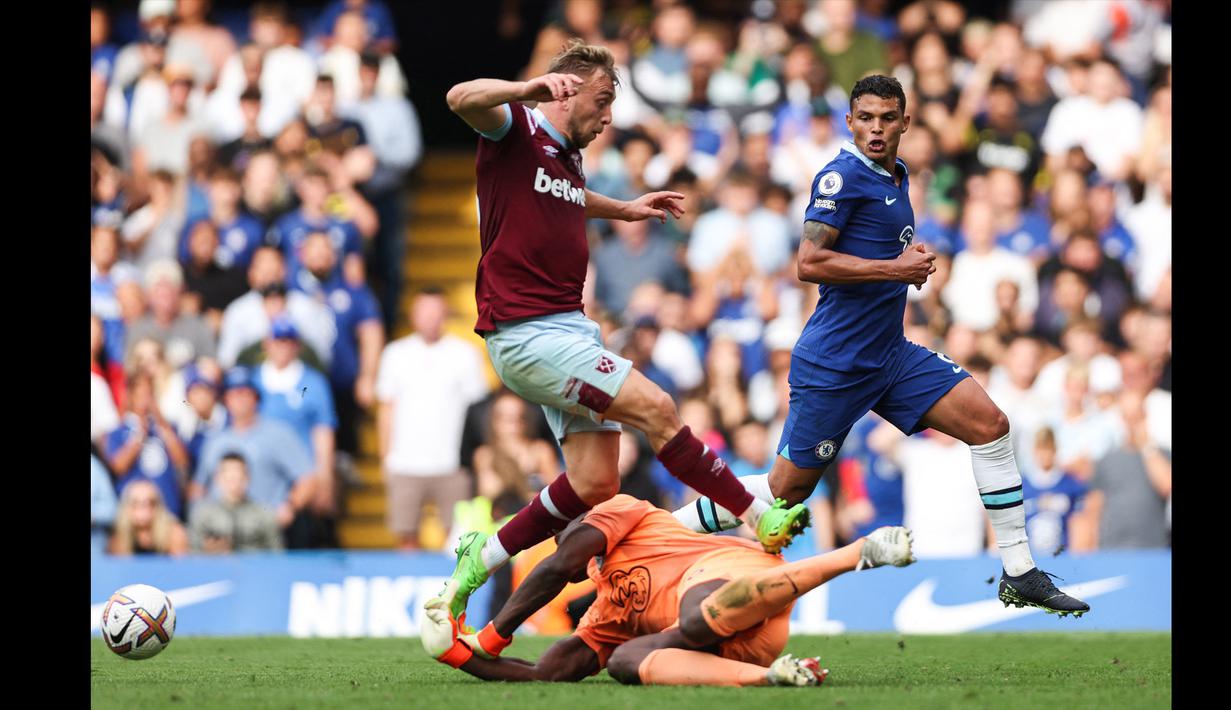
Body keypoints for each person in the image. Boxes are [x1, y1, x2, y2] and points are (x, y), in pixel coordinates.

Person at [674, 75, 1088, 616]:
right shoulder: (841, 178)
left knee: (991, 426)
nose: (876, 128)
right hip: (837, 363)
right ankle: (659, 531)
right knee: (783, 493)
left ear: (904, 123)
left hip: (891, 354)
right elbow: (808, 262)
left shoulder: (897, 175)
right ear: (849, 122)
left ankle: (1020, 572)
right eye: (866, 118)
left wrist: (904, 270)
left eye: (887, 118)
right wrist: (896, 269)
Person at [433, 40, 809, 624]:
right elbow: (459, 97)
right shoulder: (516, 128)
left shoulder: (566, 156)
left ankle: (483, 554)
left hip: (569, 330)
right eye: (603, 100)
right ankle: (758, 514)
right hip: (528, 333)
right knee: (657, 407)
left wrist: (625, 209)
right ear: (566, 90)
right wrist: (527, 90)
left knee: (594, 480)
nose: (609, 116)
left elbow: (566, 199)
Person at [423, 494, 914, 685]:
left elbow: (559, 565)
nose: (559, 542)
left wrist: (491, 636)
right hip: (750, 644)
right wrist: (459, 657)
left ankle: (857, 553)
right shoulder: (604, 612)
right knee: (622, 662)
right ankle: (774, 677)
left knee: (690, 618)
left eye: (563, 532)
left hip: (737, 575)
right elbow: (543, 674)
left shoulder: (619, 509)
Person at [188, 453, 284, 552]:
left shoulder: (264, 514)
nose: (234, 481)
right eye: (229, 477)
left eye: (238, 476)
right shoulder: (203, 514)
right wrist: (209, 551)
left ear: (247, 478)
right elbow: (193, 552)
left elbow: (277, 552)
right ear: (218, 478)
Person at [109, 479, 190, 556]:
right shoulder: (119, 537)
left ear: (157, 506)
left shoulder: (174, 533)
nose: (142, 508)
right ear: (127, 507)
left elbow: (180, 564)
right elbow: (120, 564)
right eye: (136, 503)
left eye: (149, 502)